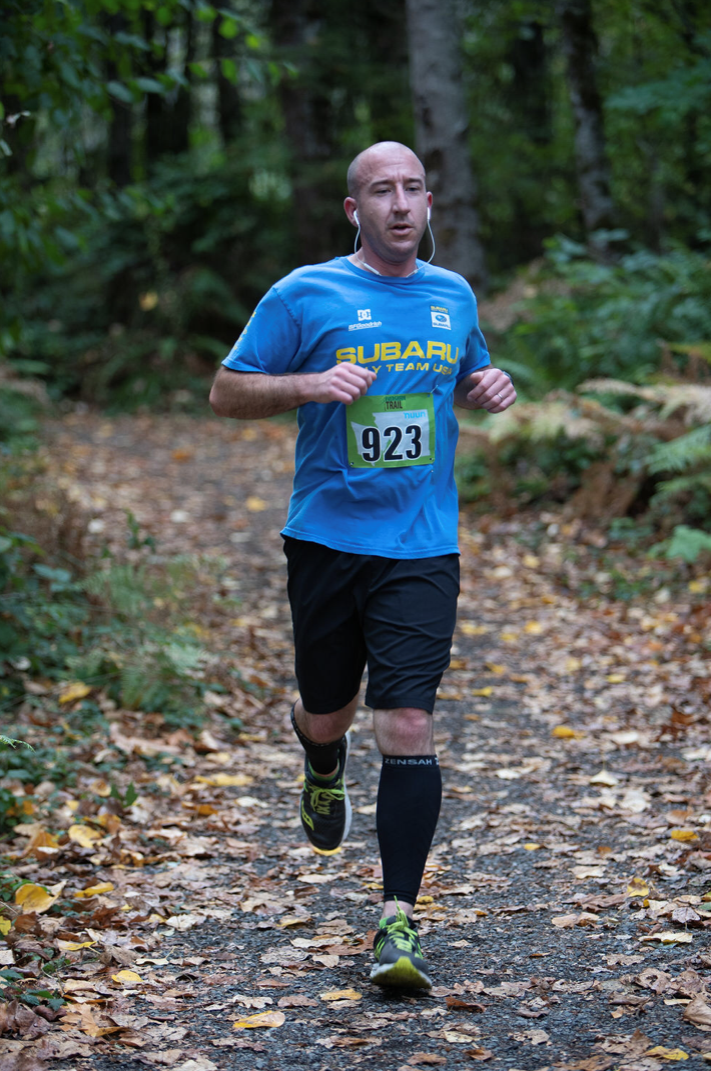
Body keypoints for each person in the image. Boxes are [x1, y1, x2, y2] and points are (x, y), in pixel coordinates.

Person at [209, 141, 516, 989]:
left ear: (428, 202)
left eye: (413, 188)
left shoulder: (451, 294)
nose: (400, 203)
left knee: (407, 720)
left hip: (422, 542)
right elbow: (226, 391)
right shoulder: (303, 294)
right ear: (355, 209)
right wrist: (308, 385)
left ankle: (396, 920)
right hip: (326, 540)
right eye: (381, 190)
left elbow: (465, 375)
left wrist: (485, 386)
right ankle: (319, 758)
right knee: (329, 709)